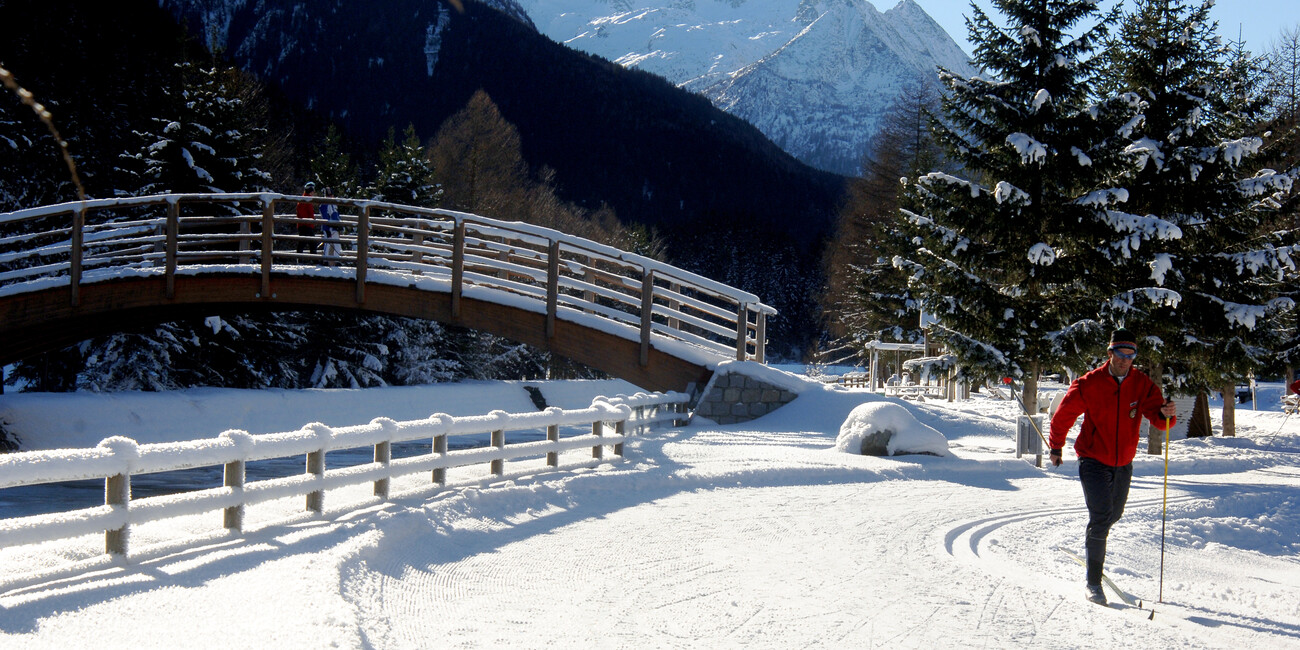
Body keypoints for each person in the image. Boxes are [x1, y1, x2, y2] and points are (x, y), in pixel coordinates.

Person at [1048, 328, 1177, 605]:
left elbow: (1157, 416)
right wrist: (1056, 447)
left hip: (1123, 461)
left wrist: (1166, 414)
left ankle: (1094, 540)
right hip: (1093, 458)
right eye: (1120, 354)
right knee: (1102, 515)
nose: (1125, 360)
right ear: (1110, 353)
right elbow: (1063, 415)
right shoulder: (1089, 383)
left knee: (1113, 514)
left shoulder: (1141, 383)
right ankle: (1093, 583)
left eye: (1131, 355)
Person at [319, 187, 342, 266]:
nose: (330, 196)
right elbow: (326, 216)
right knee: (327, 243)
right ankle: (325, 260)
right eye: (329, 195)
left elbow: (336, 215)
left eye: (331, 194)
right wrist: (327, 226)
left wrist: (339, 224)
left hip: (335, 226)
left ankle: (337, 259)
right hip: (329, 226)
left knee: (337, 243)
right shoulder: (324, 205)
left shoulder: (333, 204)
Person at [295, 182, 318, 258]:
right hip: (306, 225)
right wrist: (310, 220)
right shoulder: (306, 200)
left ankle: (311, 259)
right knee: (305, 242)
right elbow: (307, 212)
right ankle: (311, 259)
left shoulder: (305, 199)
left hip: (306, 224)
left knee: (310, 242)